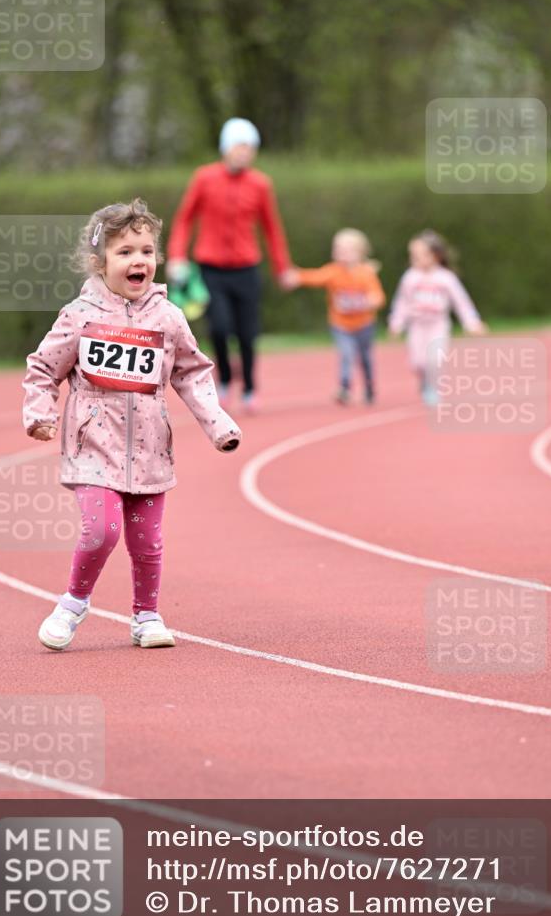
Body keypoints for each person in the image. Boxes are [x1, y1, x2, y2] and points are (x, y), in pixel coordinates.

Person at [22, 199, 241, 651]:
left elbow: (191, 372)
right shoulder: (79, 315)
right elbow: (45, 368)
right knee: (101, 530)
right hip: (92, 445)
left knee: (147, 543)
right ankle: (73, 604)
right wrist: (40, 413)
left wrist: (218, 424)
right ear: (100, 261)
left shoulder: (168, 318)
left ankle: (146, 617)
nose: (138, 260)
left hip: (150, 448)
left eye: (146, 250)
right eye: (125, 252)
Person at [167, 118, 293, 413]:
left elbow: (271, 228)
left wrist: (282, 267)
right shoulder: (204, 178)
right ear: (226, 148)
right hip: (211, 268)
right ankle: (224, 378)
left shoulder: (260, 184)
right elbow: (184, 218)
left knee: (248, 333)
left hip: (247, 268)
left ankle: (249, 386)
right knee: (220, 328)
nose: (244, 152)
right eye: (239, 145)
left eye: (250, 147)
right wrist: (177, 256)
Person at [284, 229, 386, 404]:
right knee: (346, 354)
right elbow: (315, 277)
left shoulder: (366, 273)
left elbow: (378, 296)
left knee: (365, 357)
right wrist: (297, 276)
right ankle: (345, 388)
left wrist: (372, 301)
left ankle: (369, 387)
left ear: (359, 253)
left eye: (346, 250)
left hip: (364, 325)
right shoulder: (333, 271)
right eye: (338, 249)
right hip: (341, 325)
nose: (341, 254)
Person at [388, 230, 487, 405]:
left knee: (435, 359)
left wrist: (472, 322)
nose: (416, 259)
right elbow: (401, 302)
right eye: (413, 255)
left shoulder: (446, 278)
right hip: (417, 326)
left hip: (438, 325)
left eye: (422, 255)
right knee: (418, 362)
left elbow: (461, 302)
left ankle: (432, 388)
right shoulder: (410, 278)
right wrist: (396, 323)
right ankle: (425, 380)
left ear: (436, 255)